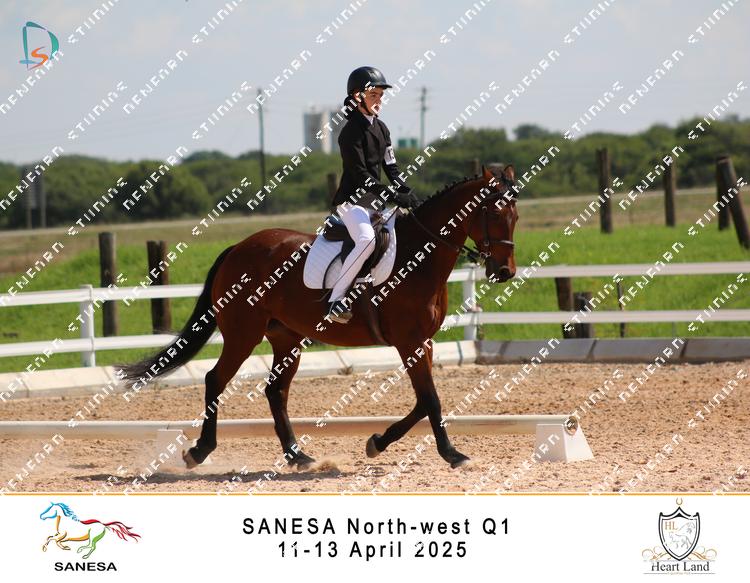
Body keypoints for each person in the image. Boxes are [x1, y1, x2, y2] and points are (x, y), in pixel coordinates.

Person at [327, 66, 419, 324]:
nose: (379, 100)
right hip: (351, 203)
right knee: (366, 239)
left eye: (380, 95)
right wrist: (392, 195)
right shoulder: (349, 133)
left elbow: (391, 168)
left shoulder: (382, 129)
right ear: (357, 97)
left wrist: (406, 191)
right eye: (373, 95)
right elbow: (361, 175)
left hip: (374, 202)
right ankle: (336, 300)